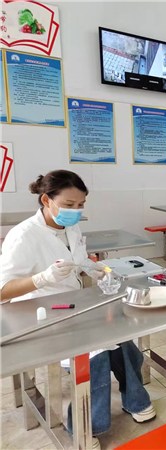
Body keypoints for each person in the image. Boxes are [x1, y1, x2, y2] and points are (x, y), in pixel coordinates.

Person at [0, 170, 155, 449]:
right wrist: (42, 279)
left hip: (75, 305)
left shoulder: (70, 228)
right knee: (96, 356)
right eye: (69, 204)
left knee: (121, 339)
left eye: (81, 204)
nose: (76, 211)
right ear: (46, 200)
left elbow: (79, 261)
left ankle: (135, 400)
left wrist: (96, 270)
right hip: (41, 316)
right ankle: (85, 425)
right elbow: (2, 292)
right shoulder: (23, 236)